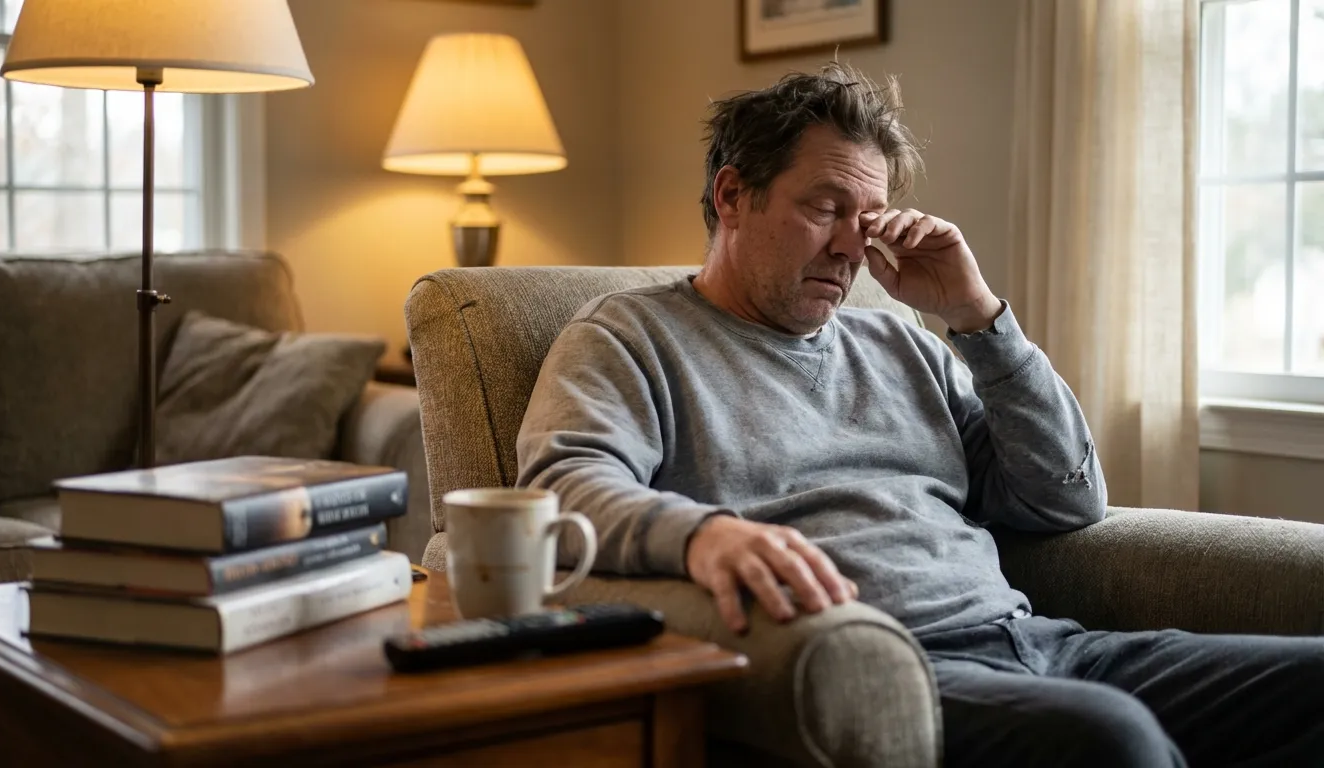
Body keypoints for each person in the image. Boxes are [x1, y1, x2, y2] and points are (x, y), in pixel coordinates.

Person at [514, 62, 1324, 767]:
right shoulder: (629, 336)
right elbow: (560, 490)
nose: (848, 248)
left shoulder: (905, 344)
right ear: (733, 195)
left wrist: (978, 317)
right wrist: (704, 534)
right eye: (824, 208)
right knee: (1111, 740)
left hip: (1044, 644)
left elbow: (1066, 498)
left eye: (864, 222)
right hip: (896, 671)